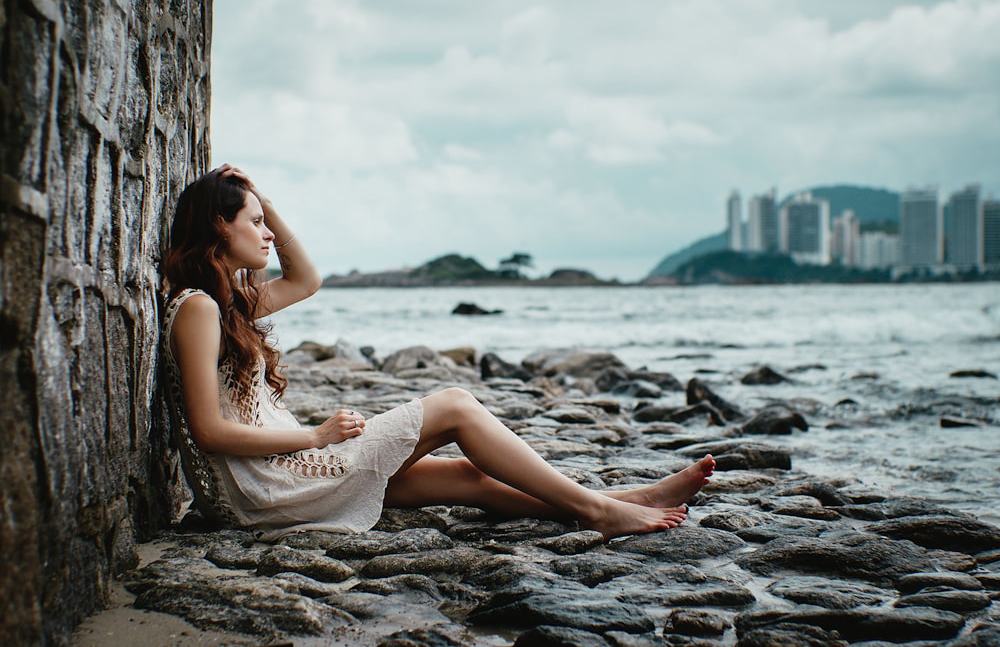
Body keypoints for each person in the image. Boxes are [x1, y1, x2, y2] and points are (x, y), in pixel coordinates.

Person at [161, 163, 716, 542]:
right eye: (255, 222)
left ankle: (628, 499)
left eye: (266, 222)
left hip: (282, 472)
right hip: (269, 484)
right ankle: (599, 512)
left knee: (465, 479)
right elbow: (208, 430)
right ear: (218, 225)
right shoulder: (199, 309)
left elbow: (307, 278)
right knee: (453, 404)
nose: (266, 235)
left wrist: (267, 202)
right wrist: (316, 436)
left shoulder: (227, 304)